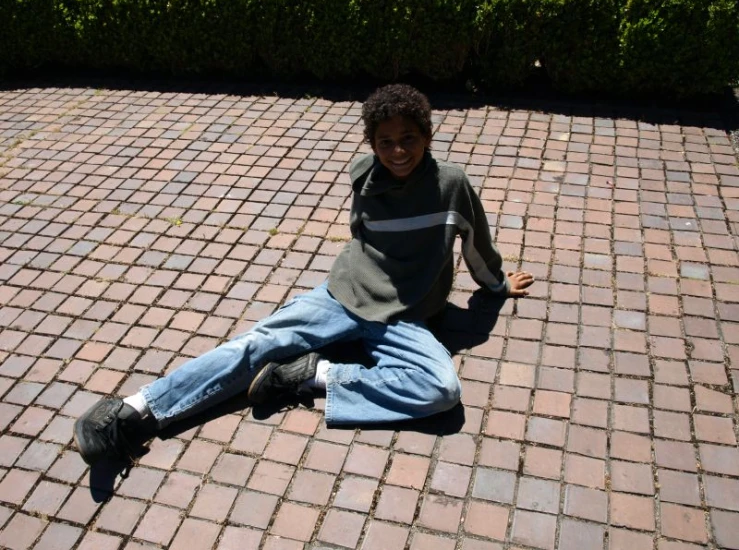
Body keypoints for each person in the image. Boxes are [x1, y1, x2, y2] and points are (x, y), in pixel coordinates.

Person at [73, 84, 534, 466]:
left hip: (408, 314)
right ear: (371, 144)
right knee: (255, 343)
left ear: (428, 136)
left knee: (442, 391)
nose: (398, 151)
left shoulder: (450, 185)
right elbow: (361, 237)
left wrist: (495, 285)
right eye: (386, 141)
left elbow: (477, 243)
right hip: (345, 294)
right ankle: (131, 411)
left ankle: (310, 375)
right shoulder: (364, 180)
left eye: (410, 138)